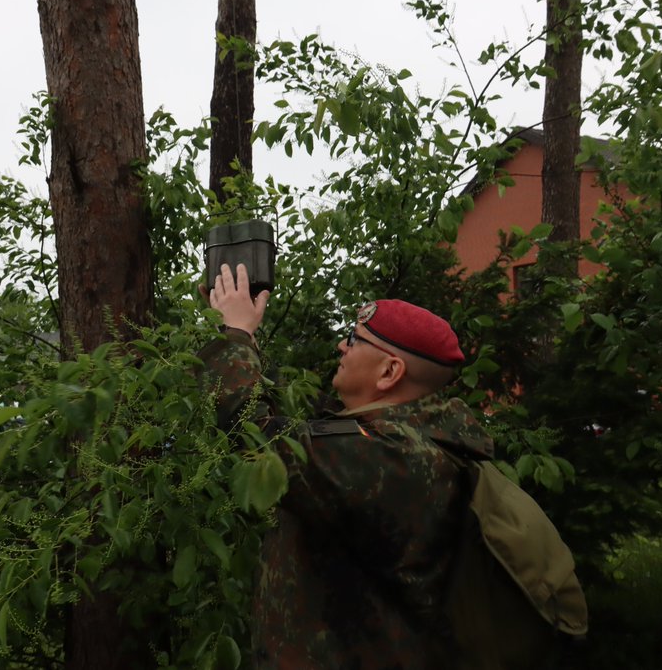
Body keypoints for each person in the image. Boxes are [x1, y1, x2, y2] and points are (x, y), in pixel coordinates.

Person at [199, 263, 496, 669]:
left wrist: (237, 333)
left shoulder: (394, 457)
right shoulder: (391, 442)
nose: (342, 346)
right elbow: (300, 436)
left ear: (390, 371)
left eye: (355, 340)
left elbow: (255, 434)